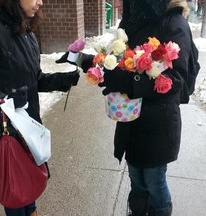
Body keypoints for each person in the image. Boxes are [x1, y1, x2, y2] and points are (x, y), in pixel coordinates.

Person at [57, 0, 196, 215]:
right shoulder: (135, 19)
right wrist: (85, 61)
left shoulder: (174, 23)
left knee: (154, 182)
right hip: (131, 118)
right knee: (136, 180)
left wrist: (127, 82)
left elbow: (176, 78)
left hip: (158, 122)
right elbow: (119, 61)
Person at [0, 0, 80, 215]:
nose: (40, 2)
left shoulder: (26, 31)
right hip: (4, 131)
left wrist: (63, 79)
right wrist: (6, 98)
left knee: (29, 185)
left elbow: (34, 79)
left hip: (27, 125)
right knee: (15, 190)